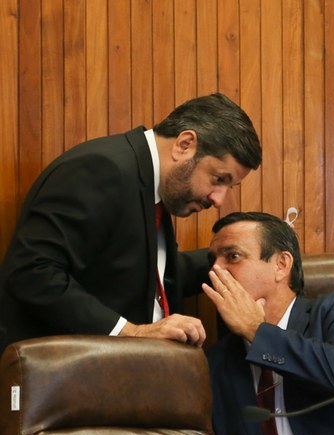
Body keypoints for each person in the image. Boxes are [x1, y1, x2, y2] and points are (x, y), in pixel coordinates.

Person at [0, 93, 262, 353]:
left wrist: (233, 259)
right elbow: (32, 272)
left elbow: (140, 271)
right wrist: (132, 332)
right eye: (218, 179)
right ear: (184, 145)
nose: (219, 199)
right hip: (67, 370)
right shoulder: (101, 169)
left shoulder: (148, 183)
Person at [203, 212, 334, 435]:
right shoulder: (215, 360)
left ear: (281, 265)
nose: (215, 270)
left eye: (233, 256)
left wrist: (257, 331)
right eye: (212, 260)